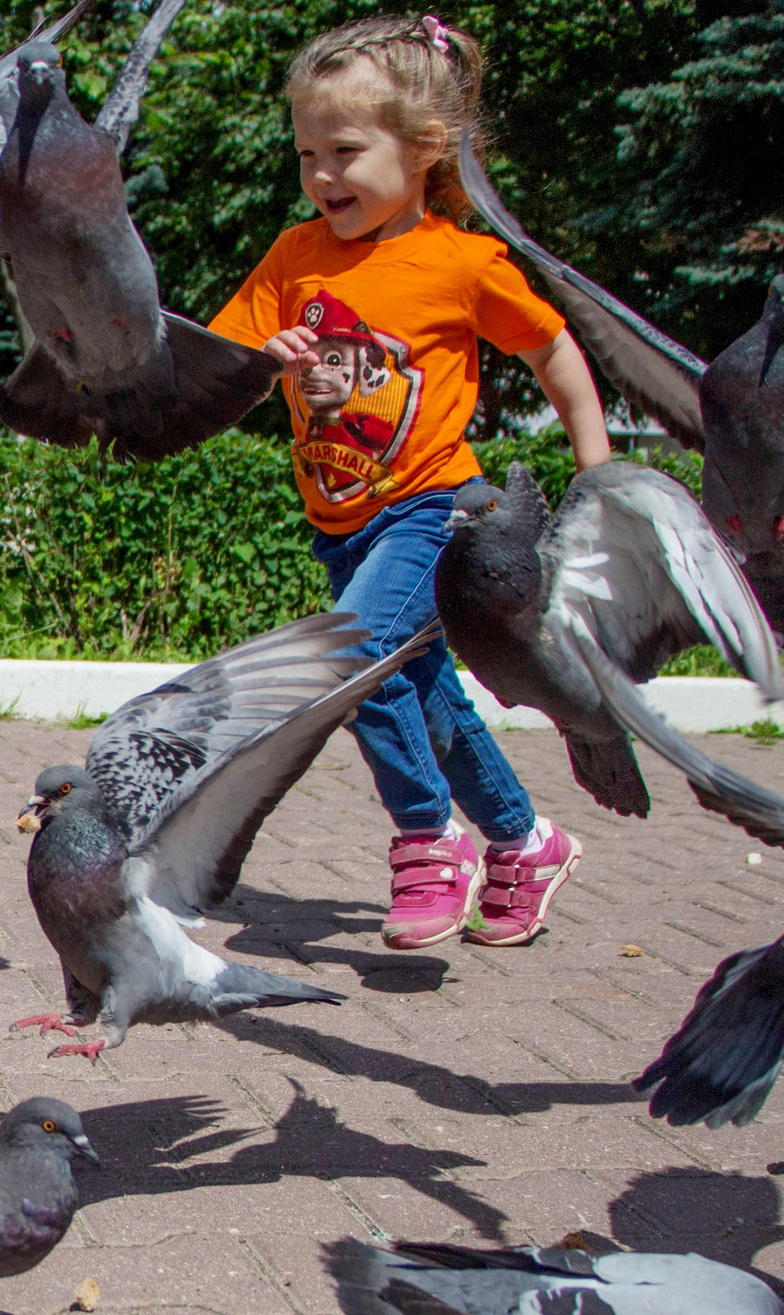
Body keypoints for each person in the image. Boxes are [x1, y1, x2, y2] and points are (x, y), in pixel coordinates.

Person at [210, 13, 611, 950]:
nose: (321, 176)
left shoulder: (460, 262)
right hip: (340, 522)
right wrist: (265, 358)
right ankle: (526, 839)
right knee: (424, 695)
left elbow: (553, 347)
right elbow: (227, 359)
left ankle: (429, 842)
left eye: (345, 151)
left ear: (426, 150)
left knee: (355, 659)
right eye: (307, 152)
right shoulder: (292, 257)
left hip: (437, 507)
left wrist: (598, 467)